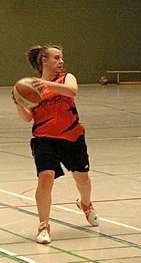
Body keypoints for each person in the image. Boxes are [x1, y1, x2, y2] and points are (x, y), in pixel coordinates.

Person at [12, 44, 99, 244]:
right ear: (44, 60)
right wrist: (18, 102)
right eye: (56, 58)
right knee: (45, 178)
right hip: (44, 139)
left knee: (82, 179)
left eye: (61, 59)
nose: (61, 62)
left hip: (72, 136)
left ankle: (85, 204)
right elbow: (27, 118)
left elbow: (72, 91)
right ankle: (44, 225)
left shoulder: (66, 78)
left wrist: (47, 85)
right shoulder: (31, 87)